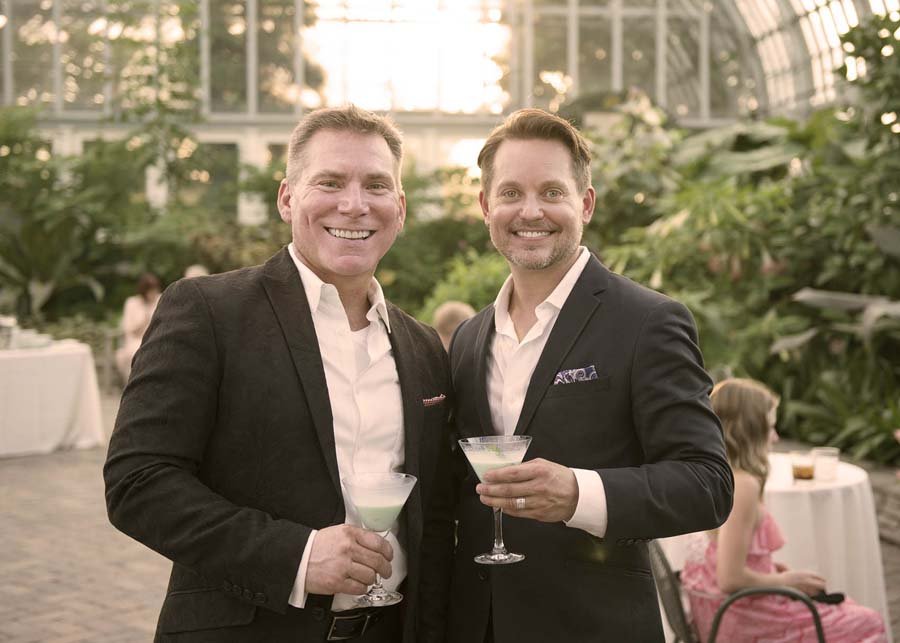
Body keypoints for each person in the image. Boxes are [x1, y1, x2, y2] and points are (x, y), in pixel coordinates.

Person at [104, 105, 452, 642]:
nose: (354, 204)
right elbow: (138, 482)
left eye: (376, 185)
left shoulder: (423, 346)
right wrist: (297, 556)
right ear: (287, 198)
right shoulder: (207, 311)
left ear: (399, 208)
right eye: (330, 182)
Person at [428, 108, 734, 643]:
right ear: (485, 206)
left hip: (595, 625)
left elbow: (707, 484)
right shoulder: (470, 340)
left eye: (552, 192)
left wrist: (580, 493)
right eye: (510, 193)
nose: (530, 211)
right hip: (477, 625)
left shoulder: (647, 322)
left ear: (584, 204)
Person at [681, 378, 887, 642]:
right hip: (739, 620)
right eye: (770, 428)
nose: (776, 438)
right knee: (867, 621)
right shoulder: (742, 485)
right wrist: (788, 580)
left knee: (845, 606)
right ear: (748, 431)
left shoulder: (717, 475)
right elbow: (729, 578)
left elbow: (722, 554)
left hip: (723, 613)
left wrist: (766, 568)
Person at [115, 272, 162, 380]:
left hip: (157, 337)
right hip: (136, 339)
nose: (153, 293)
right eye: (151, 290)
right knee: (134, 353)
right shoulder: (132, 303)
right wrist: (144, 321)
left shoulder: (160, 299)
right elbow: (129, 330)